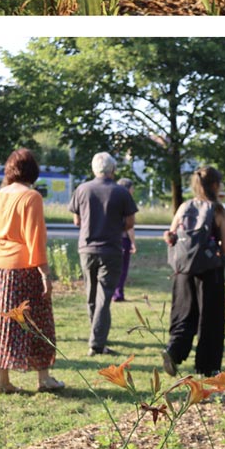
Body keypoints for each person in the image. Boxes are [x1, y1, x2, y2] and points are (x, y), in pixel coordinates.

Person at [0, 148, 61, 394]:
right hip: (22, 269)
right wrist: (45, 273)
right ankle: (44, 378)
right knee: (37, 322)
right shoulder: (31, 197)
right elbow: (35, 237)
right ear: (33, 171)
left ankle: (2, 381)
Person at [162, 166, 225, 378]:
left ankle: (174, 351)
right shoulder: (219, 211)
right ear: (214, 185)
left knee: (183, 313)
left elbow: (171, 234)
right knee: (210, 319)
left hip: (183, 270)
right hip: (210, 271)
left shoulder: (184, 207)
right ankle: (207, 367)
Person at [69, 152, 137, 355]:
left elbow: (76, 221)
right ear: (113, 170)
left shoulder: (82, 189)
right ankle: (97, 343)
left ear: (94, 169)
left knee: (91, 295)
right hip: (111, 249)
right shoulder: (121, 192)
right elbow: (130, 222)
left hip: (87, 248)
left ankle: (96, 338)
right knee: (104, 296)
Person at [113, 177, 135, 302]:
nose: (133, 191)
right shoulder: (127, 202)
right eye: (132, 188)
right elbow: (130, 226)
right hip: (123, 239)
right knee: (123, 268)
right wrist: (133, 242)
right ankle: (118, 293)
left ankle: (114, 292)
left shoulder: (114, 200)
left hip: (113, 238)